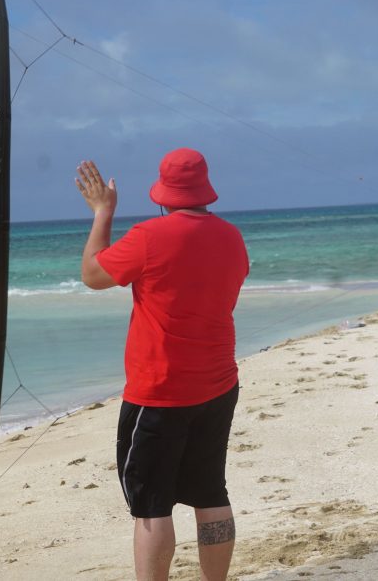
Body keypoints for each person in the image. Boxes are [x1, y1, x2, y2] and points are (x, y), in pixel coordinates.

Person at [75, 148, 249, 581]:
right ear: (205, 192)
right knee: (210, 491)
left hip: (160, 390)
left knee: (151, 505)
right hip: (218, 382)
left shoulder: (150, 235)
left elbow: (93, 276)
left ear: (163, 195)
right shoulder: (231, 236)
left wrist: (102, 212)